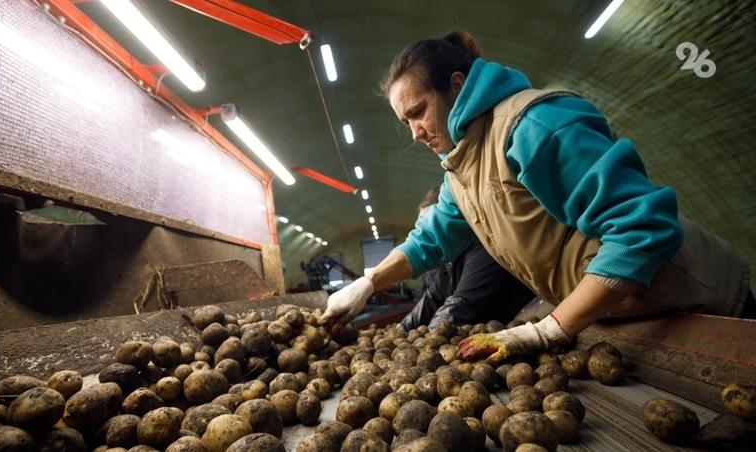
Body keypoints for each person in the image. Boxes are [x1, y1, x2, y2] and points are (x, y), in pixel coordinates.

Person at [321, 31, 752, 364]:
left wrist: (551, 328)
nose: (414, 132)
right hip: (634, 314)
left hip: (707, 304)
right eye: (404, 121)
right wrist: (369, 282)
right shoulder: (460, 170)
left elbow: (642, 228)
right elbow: (428, 242)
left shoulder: (534, 125)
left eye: (418, 111)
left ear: (455, 85)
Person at [399, 186, 534, 331]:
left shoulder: (485, 246)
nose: (426, 237)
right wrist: (401, 329)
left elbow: (461, 304)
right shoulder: (447, 259)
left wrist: (429, 338)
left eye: (431, 229)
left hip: (518, 323)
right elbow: (433, 297)